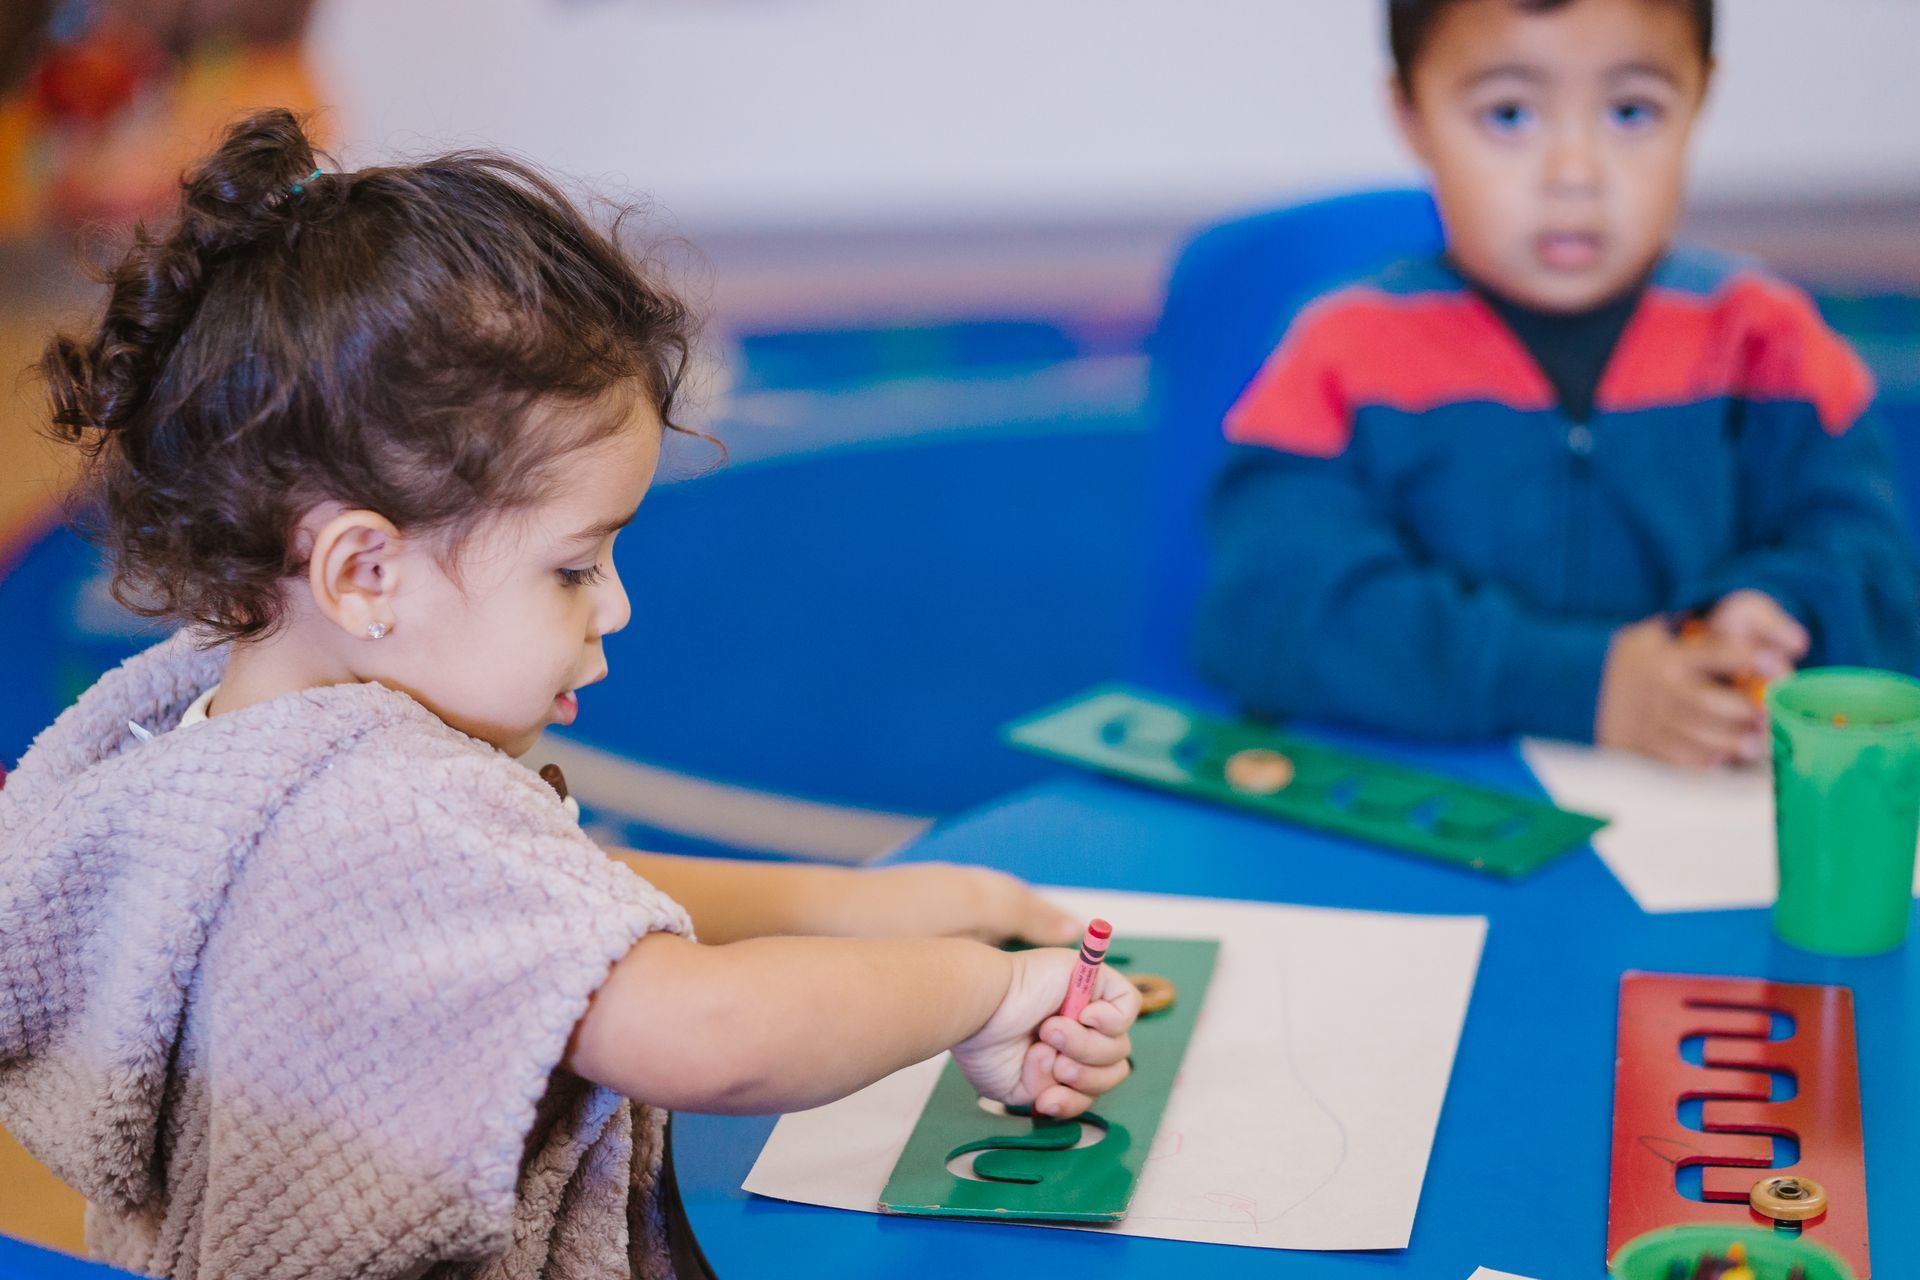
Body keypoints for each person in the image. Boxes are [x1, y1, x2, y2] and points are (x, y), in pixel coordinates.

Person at [0, 109, 1138, 1280]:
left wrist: (864, 908)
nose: (618, 606)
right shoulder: (367, 809)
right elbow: (714, 1032)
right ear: (364, 570)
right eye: (574, 566)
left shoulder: (219, 738)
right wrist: (986, 990)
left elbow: (560, 890)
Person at [1194, 0, 1920, 769]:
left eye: (1632, 112)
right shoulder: (1337, 354)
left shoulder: (1771, 346)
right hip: (1429, 816)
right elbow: (1269, 613)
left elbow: (1874, 573)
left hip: (1704, 826)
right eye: (1508, 116)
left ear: (1700, 97)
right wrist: (1583, 683)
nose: (1575, 175)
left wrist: (1775, 613)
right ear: (1410, 115)